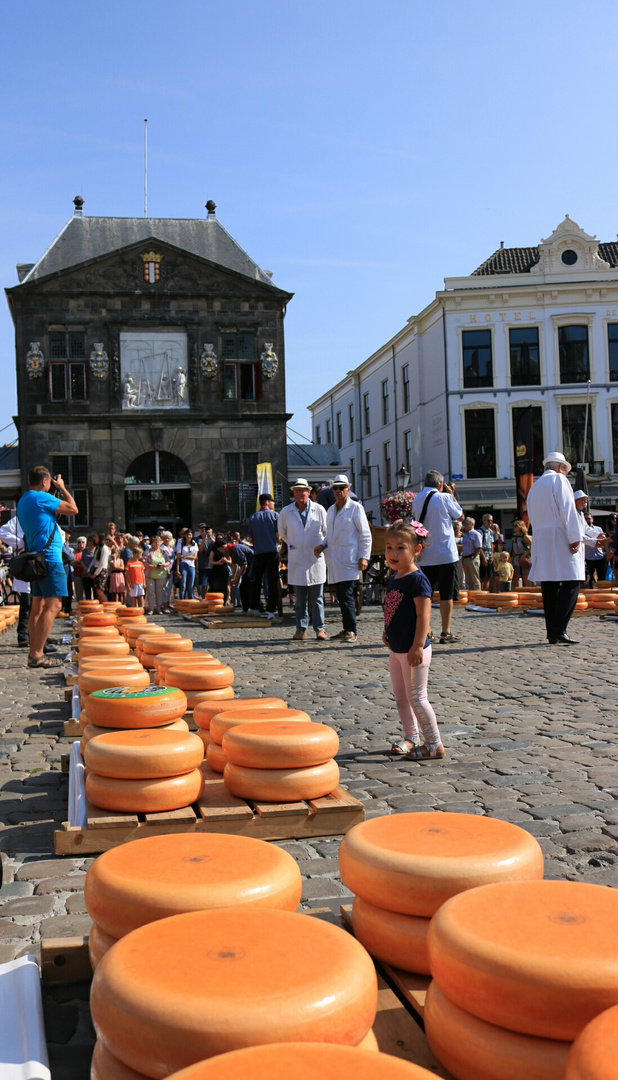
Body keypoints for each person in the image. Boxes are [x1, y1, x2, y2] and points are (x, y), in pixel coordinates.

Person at [382, 521, 445, 760]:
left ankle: (434, 744)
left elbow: (423, 615)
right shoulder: (396, 577)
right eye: (389, 547)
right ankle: (412, 737)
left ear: (416, 550)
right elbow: (392, 606)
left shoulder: (418, 580)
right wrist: (387, 629)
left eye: (400, 548)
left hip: (413, 650)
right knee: (401, 697)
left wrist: (418, 645)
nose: (393, 553)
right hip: (396, 648)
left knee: (417, 698)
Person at [16, 466, 77, 668]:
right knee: (54, 605)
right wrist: (62, 487)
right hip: (50, 559)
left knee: (38, 606)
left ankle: (34, 650)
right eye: (50, 482)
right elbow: (73, 509)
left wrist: (53, 490)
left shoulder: (24, 500)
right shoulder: (41, 498)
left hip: (36, 559)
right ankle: (37, 654)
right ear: (44, 481)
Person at [527, 452, 589, 645]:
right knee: (573, 580)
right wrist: (574, 537)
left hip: (541, 538)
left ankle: (552, 631)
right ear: (561, 468)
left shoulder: (535, 486)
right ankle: (558, 628)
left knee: (550, 584)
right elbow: (568, 510)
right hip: (559, 535)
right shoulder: (559, 481)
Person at [314, 474, 371, 643]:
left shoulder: (355, 508)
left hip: (349, 559)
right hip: (334, 560)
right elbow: (329, 536)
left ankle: (351, 631)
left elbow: (365, 534)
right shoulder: (330, 510)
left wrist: (364, 557)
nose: (338, 491)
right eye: (335, 488)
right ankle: (347, 628)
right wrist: (322, 545)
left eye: (342, 488)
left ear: (349, 489)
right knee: (340, 595)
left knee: (346, 595)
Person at [411, 471, 463, 644]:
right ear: (440, 484)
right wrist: (452, 495)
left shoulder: (417, 498)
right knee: (447, 594)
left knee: (426, 594)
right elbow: (460, 516)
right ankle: (445, 631)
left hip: (426, 554)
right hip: (446, 554)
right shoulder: (444, 498)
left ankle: (427, 629)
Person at [277, 478, 328, 642]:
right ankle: (301, 629)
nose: (300, 494)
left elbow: (327, 532)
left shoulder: (319, 509)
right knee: (299, 600)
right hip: (297, 558)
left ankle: (320, 629)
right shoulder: (286, 512)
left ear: (308, 492)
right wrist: (295, 544)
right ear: (293, 493)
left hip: (315, 558)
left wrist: (320, 546)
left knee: (317, 599)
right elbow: (283, 533)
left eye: (303, 490)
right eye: (297, 491)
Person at [247, 494, 281, 620]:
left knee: (256, 581)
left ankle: (253, 607)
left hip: (258, 553)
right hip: (272, 552)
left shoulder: (253, 517)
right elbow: (278, 536)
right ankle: (271, 611)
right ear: (267, 502)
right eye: (272, 501)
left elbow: (250, 539)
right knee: (272, 582)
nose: (273, 503)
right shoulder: (275, 516)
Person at [143, 534, 170, 613]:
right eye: (155, 542)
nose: (156, 544)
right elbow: (144, 562)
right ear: (152, 543)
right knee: (150, 592)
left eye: (158, 542)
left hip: (161, 574)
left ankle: (158, 608)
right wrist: (152, 566)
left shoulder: (163, 551)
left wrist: (164, 565)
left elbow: (169, 561)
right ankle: (151, 608)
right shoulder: (148, 551)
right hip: (150, 574)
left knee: (160, 592)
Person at [461, 517, 483, 590]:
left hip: (472, 558)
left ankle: (477, 597)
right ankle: (471, 598)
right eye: (465, 524)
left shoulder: (476, 534)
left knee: (475, 580)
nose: (465, 525)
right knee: (468, 580)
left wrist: (473, 556)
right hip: (466, 558)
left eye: (467, 524)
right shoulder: (465, 535)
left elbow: (479, 547)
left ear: (472, 524)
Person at [177, 529, 198, 600]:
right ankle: (182, 601)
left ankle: (190, 601)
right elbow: (178, 557)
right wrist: (177, 570)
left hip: (191, 566)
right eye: (187, 535)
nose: (189, 536)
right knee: (183, 585)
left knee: (190, 586)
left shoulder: (194, 544)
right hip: (183, 564)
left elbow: (195, 557)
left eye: (190, 535)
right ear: (185, 536)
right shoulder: (181, 543)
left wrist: (185, 556)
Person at [511, 520, 532, 587]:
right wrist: (512, 557)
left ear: (520, 527)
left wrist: (525, 555)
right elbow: (514, 548)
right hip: (516, 559)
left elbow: (533, 546)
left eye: (516, 526)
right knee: (516, 576)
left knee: (525, 576)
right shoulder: (514, 537)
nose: (514, 527)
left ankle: (527, 593)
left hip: (524, 558)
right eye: (513, 526)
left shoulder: (525, 536)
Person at [478, 514, 495, 590]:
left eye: (491, 520)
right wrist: (483, 557)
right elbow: (479, 546)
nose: (490, 522)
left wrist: (492, 555)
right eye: (488, 520)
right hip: (483, 555)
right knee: (482, 577)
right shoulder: (480, 532)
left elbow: (491, 544)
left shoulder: (490, 532)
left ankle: (486, 592)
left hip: (489, 556)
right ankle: (481, 592)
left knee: (489, 576)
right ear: (484, 521)